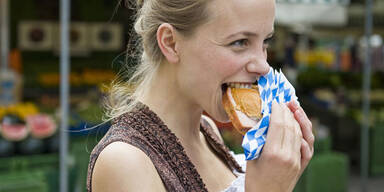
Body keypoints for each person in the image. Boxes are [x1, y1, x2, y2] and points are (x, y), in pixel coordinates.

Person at [87, 0, 314, 191]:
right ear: (171, 42)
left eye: (264, 42)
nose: (263, 66)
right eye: (240, 42)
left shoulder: (207, 130)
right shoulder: (125, 162)